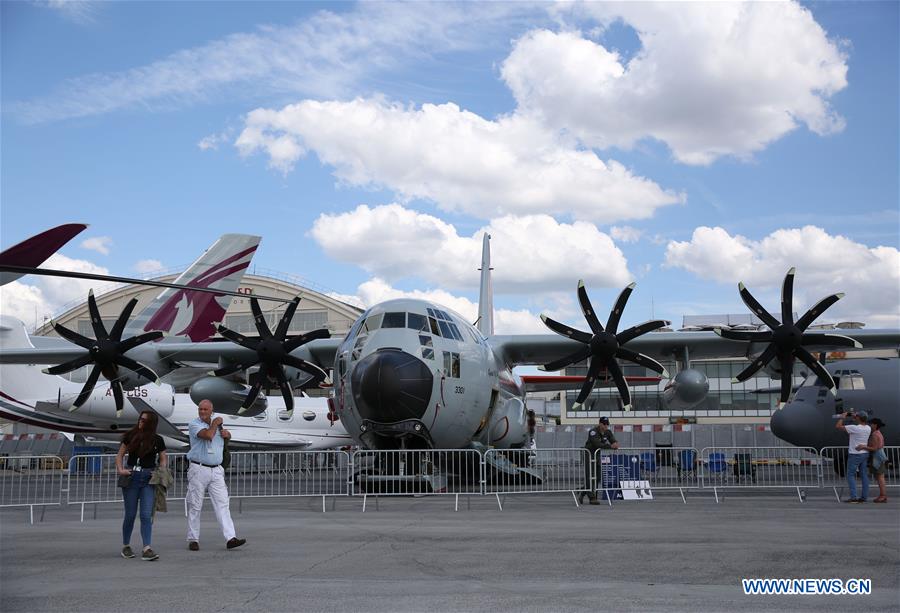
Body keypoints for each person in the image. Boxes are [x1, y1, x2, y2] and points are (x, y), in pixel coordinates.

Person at [186, 399, 246, 551]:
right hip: (199, 468)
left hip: (216, 469)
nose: (202, 412)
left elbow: (221, 440)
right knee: (195, 504)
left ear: (211, 411)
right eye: (200, 409)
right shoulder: (195, 424)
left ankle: (230, 538)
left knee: (223, 504)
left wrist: (227, 434)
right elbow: (208, 436)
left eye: (205, 409)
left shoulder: (217, 427)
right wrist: (215, 424)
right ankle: (193, 538)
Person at [116, 410, 167, 561]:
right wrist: (121, 469)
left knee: (146, 515)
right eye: (140, 419)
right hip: (131, 477)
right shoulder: (130, 436)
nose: (140, 422)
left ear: (151, 423)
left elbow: (163, 458)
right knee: (130, 515)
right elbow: (120, 455)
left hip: (148, 479)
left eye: (144, 420)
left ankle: (147, 547)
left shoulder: (158, 440)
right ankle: (126, 545)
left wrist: (160, 472)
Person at [579, 417, 620, 505]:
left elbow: (613, 440)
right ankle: (592, 498)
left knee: (597, 477)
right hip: (589, 454)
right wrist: (610, 446)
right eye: (604, 424)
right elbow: (597, 444)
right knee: (590, 476)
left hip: (597, 455)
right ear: (600, 423)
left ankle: (582, 491)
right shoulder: (593, 432)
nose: (606, 426)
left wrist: (615, 443)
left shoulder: (607, 432)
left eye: (607, 424)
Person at [835, 410, 871, 503]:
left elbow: (838, 426)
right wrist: (856, 416)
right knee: (864, 475)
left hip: (855, 454)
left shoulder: (854, 428)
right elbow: (860, 422)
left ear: (858, 418)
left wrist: (843, 417)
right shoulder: (868, 428)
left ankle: (854, 497)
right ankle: (864, 497)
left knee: (850, 475)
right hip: (864, 453)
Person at [858, 417, 887, 503]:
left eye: (871, 424)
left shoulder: (874, 434)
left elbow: (874, 448)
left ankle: (882, 495)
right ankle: (883, 495)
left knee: (880, 477)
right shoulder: (878, 433)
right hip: (880, 455)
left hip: (877, 457)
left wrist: (863, 447)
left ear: (875, 425)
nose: (870, 425)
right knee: (880, 477)